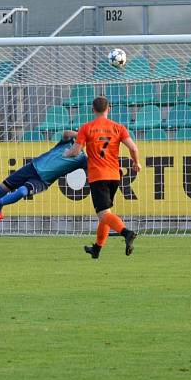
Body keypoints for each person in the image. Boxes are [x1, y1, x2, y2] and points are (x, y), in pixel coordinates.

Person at [64, 97, 141, 259]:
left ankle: (126, 233)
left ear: (93, 109)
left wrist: (66, 153)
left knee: (103, 214)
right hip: (114, 176)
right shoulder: (118, 128)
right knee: (105, 213)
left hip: (98, 176)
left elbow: (76, 151)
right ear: (109, 109)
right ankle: (97, 249)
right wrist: (136, 163)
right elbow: (133, 147)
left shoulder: (87, 128)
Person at [0, 130, 88, 229]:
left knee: (22, 191)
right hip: (32, 167)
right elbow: (66, 133)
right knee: (2, 188)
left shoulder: (83, 159)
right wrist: (79, 134)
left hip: (43, 181)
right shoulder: (68, 142)